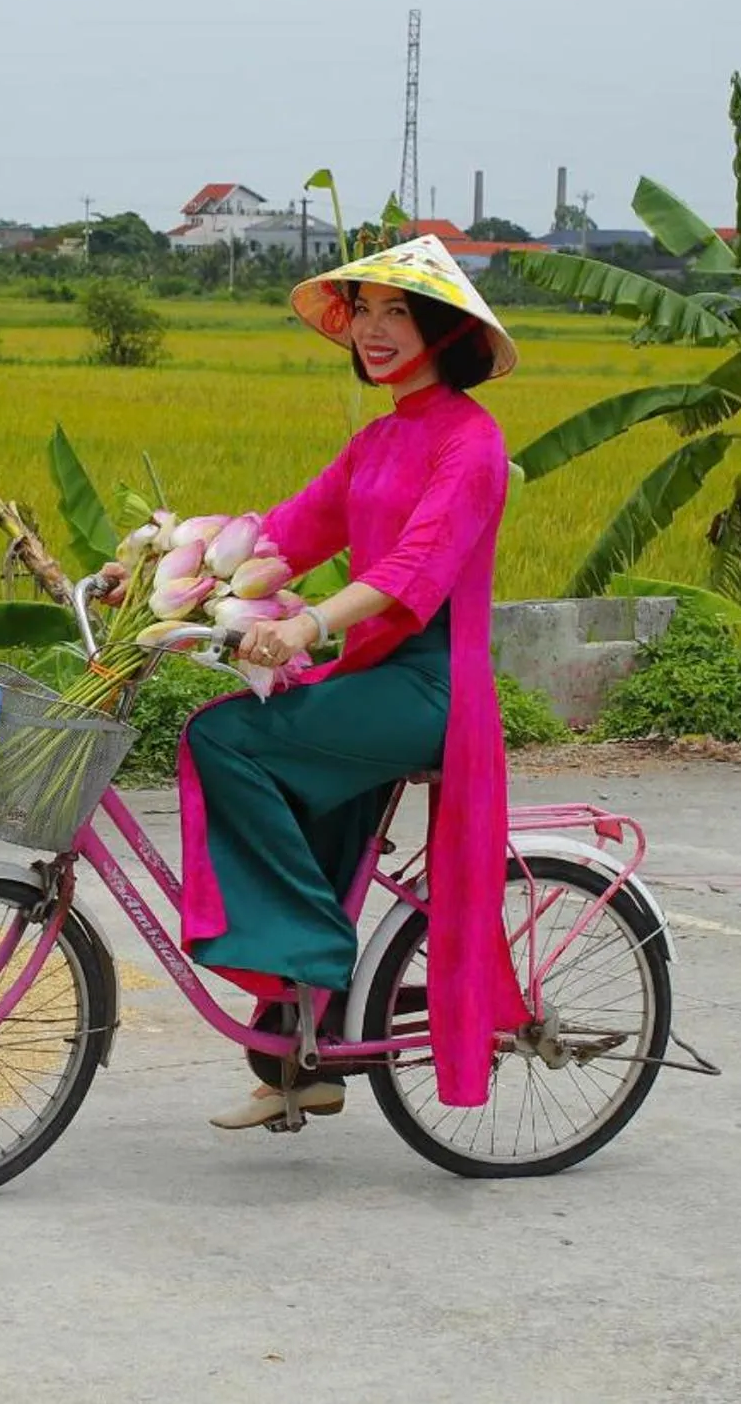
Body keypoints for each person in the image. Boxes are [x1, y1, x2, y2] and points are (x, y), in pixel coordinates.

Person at [177, 235, 529, 1131]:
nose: (373, 331)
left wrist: (305, 623)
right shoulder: (378, 438)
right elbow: (288, 533)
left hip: (431, 686)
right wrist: (168, 571)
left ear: (441, 330)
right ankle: (305, 1053)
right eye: (364, 311)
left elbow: (418, 564)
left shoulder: (470, 442)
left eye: (396, 313)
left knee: (224, 736)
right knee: (295, 792)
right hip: (373, 672)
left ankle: (313, 952)